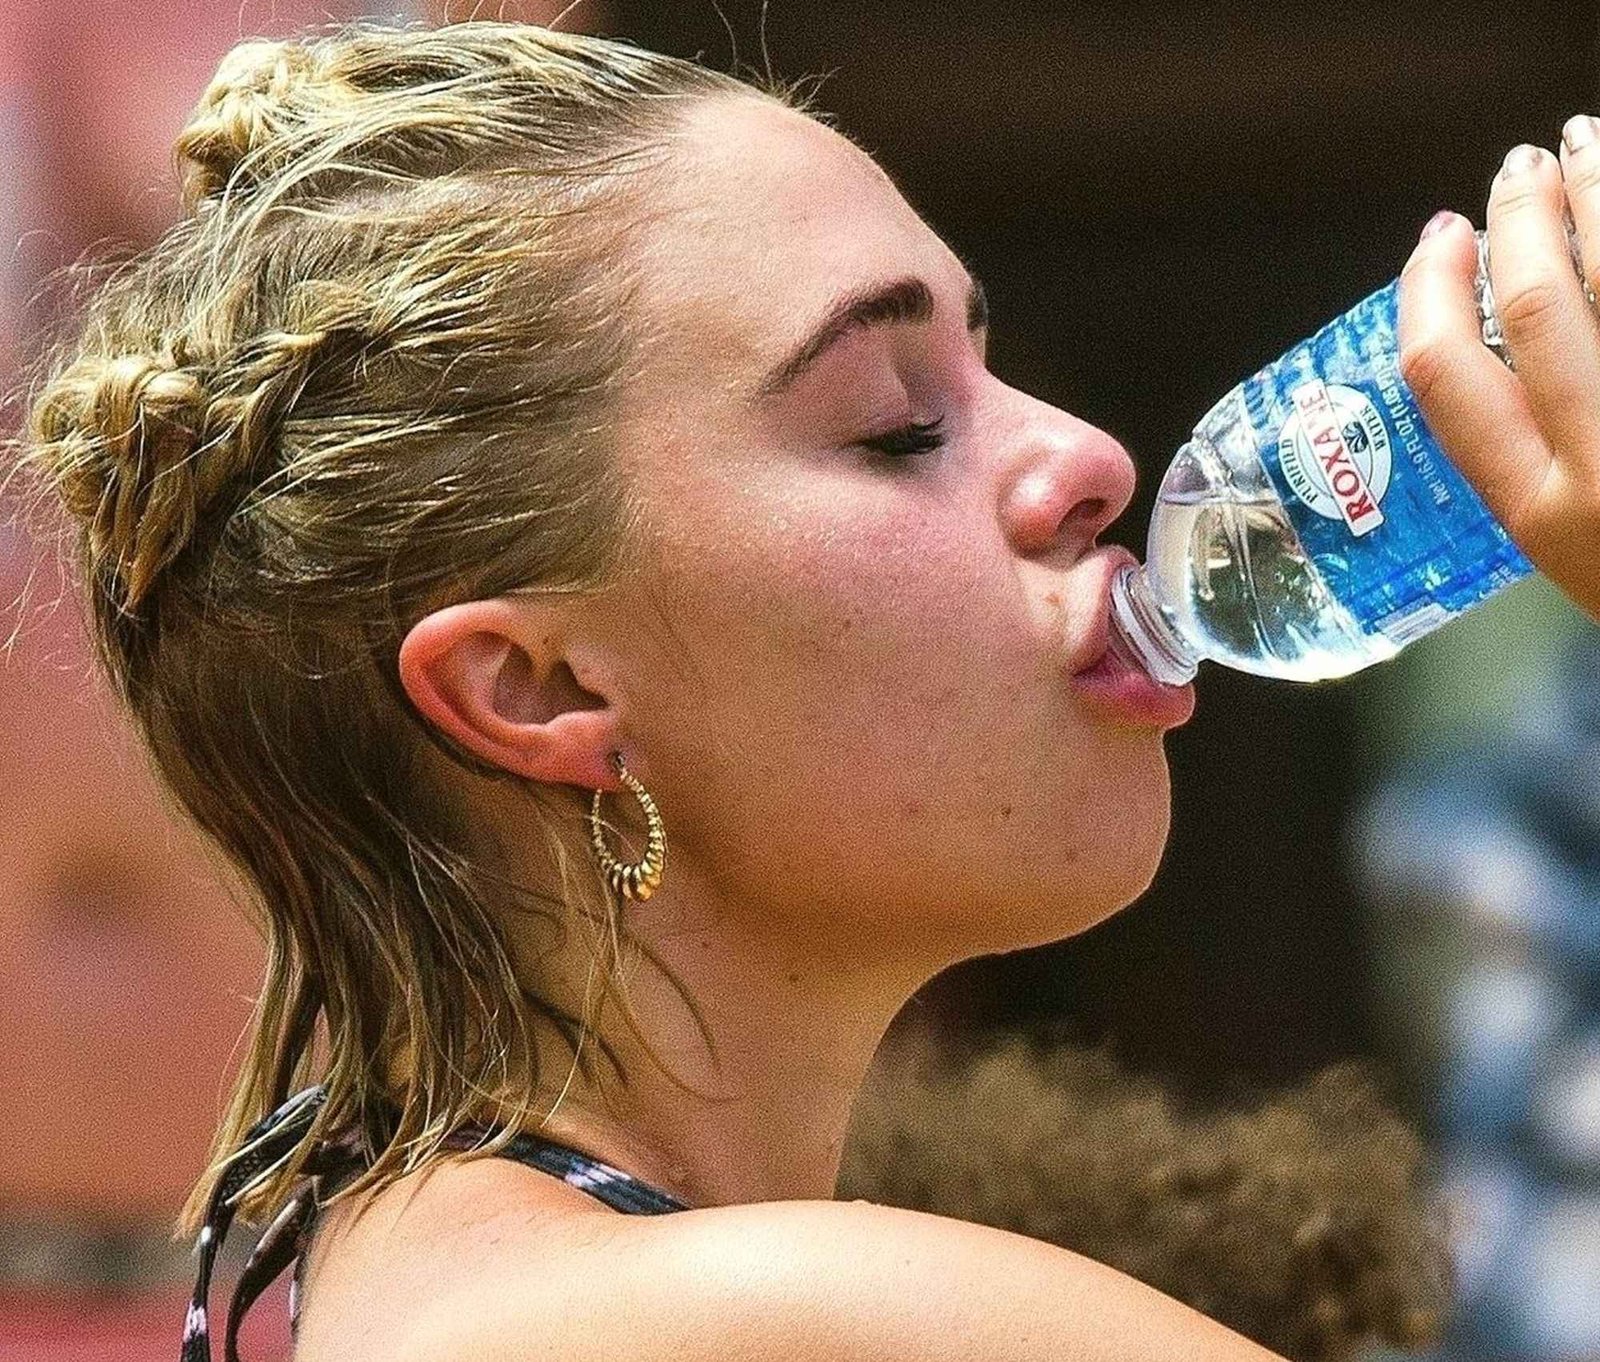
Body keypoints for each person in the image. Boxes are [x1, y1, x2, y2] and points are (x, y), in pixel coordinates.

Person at [5, 20, 1598, 1362]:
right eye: (900, 421)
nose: (1094, 460)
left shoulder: (507, 1275)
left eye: (992, 363)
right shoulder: (758, 1316)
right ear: (538, 684)